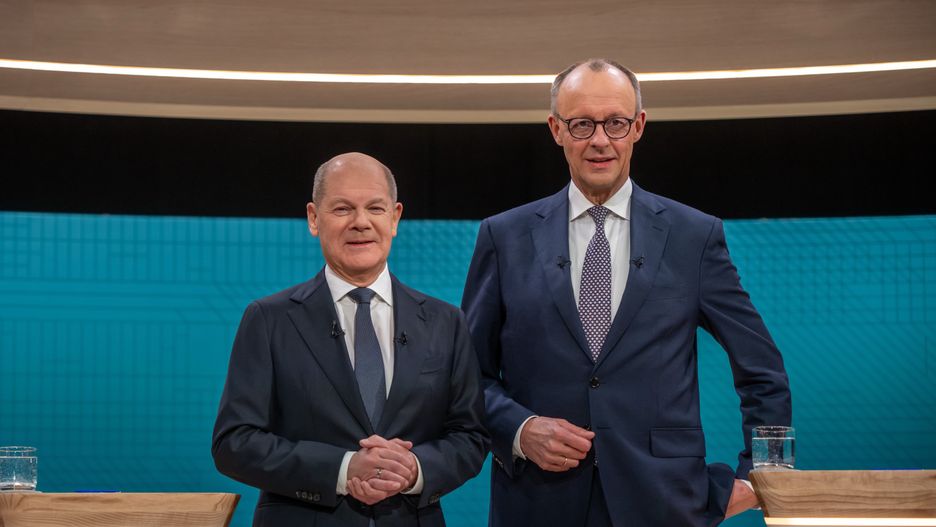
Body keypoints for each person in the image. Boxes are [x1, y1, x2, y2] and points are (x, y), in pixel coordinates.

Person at [461, 59, 792, 526]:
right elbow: (467, 376)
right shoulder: (504, 237)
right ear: (556, 130)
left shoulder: (694, 236)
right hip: (538, 503)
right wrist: (520, 428)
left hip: (665, 502)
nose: (600, 140)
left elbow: (762, 368)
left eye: (615, 123)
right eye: (582, 124)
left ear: (638, 126)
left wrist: (765, 474)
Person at [213, 152, 489, 527]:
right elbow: (234, 442)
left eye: (375, 208)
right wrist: (343, 469)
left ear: (395, 218)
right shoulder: (268, 319)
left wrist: (413, 469)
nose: (361, 222)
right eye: (342, 209)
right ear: (314, 218)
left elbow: (470, 436)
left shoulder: (446, 322)